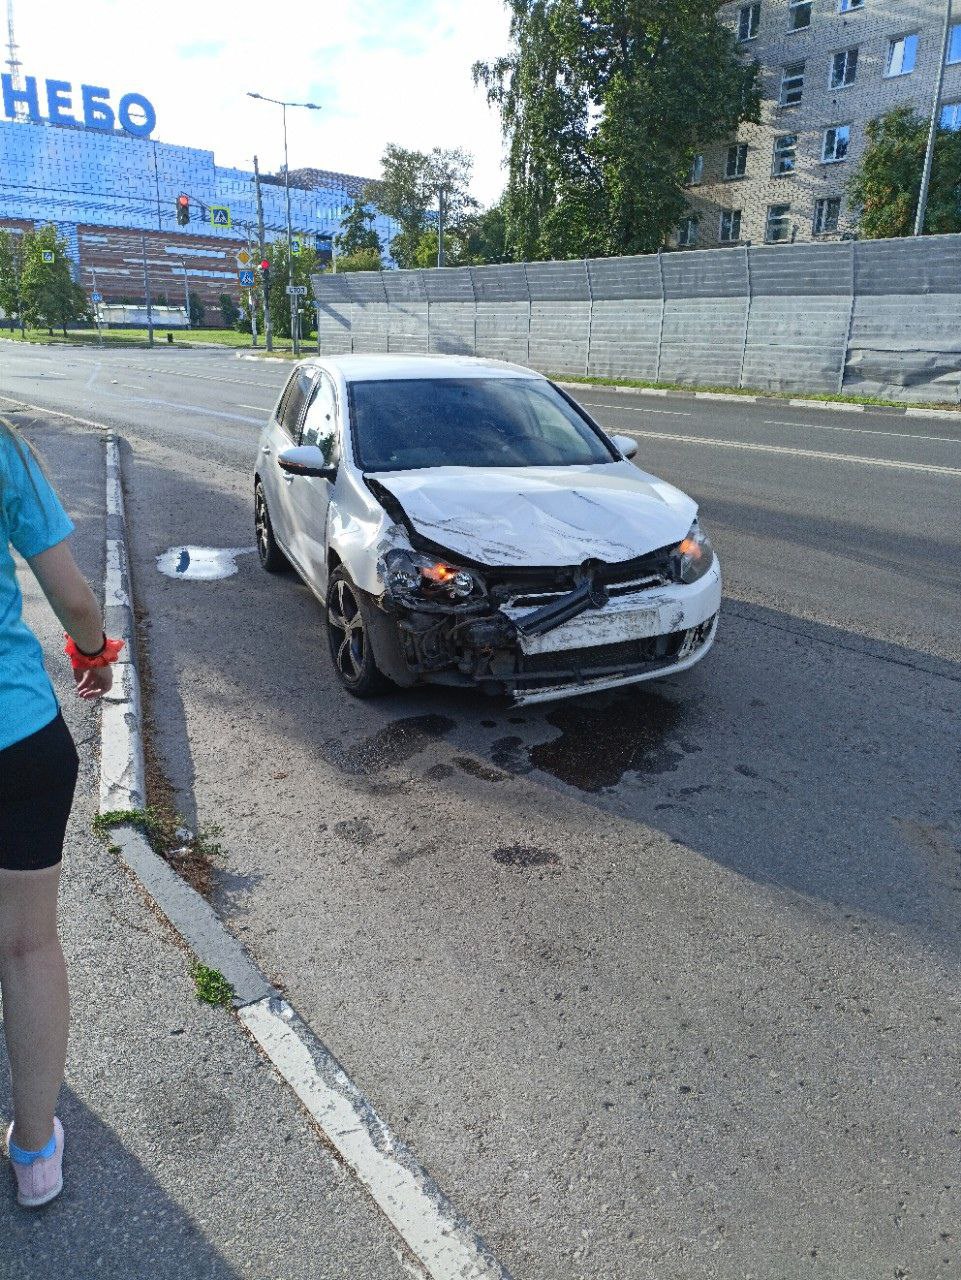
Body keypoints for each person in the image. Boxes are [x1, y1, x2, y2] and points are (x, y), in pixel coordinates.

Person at [0, 419, 122, 1207]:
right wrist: (91, 655)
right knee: (27, 947)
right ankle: (36, 1154)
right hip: (18, 740)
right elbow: (73, 596)